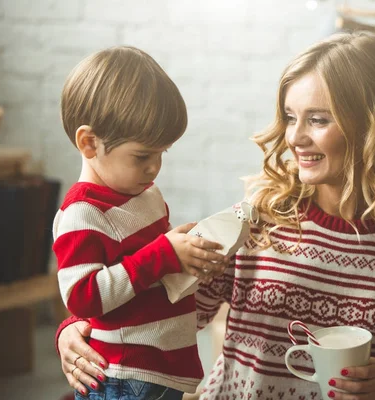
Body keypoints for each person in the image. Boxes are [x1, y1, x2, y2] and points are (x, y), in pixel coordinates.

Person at [56, 32, 375, 400]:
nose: (295, 137)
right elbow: (167, 307)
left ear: (371, 126)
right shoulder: (255, 221)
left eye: (318, 120)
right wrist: (75, 328)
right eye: (291, 117)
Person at [53, 46, 230, 400]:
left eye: (162, 153)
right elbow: (82, 297)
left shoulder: (145, 195)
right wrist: (165, 252)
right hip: (124, 373)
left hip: (164, 366)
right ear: (89, 143)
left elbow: (154, 278)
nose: (154, 168)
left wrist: (188, 258)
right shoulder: (81, 214)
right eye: (142, 156)